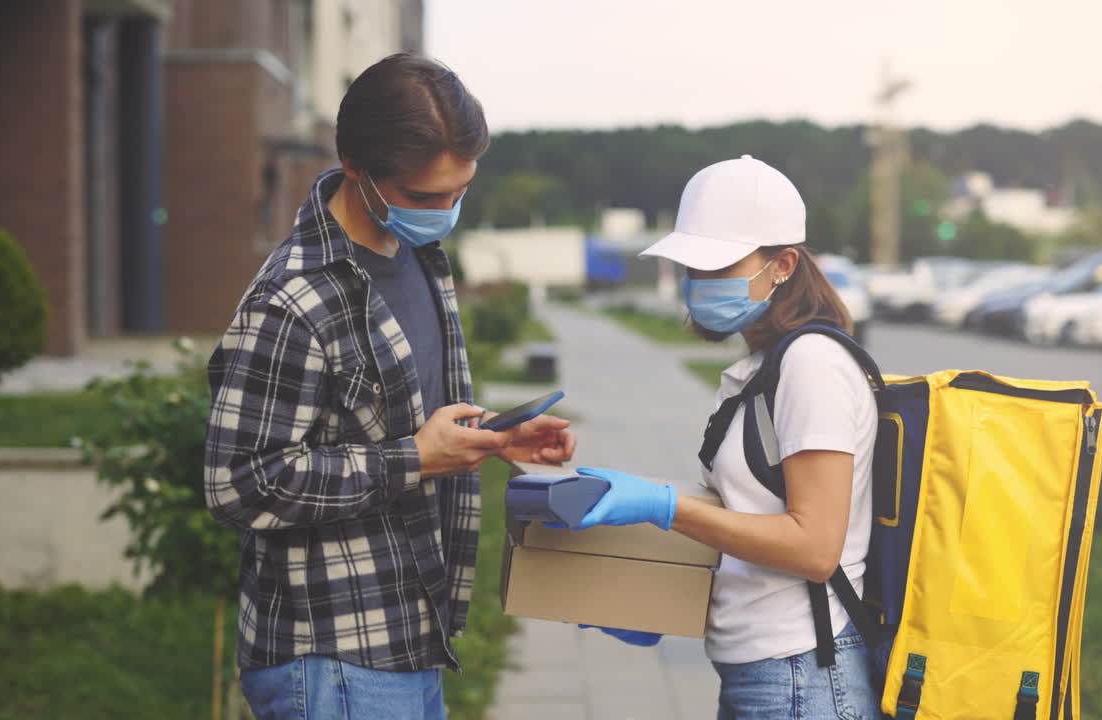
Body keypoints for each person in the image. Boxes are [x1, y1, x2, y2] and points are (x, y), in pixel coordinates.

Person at [203, 53, 574, 720]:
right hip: (334, 657)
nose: (446, 211)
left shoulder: (418, 256)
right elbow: (238, 482)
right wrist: (415, 459)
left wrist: (493, 437)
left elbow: (397, 418)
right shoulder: (292, 299)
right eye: (426, 197)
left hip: (409, 633)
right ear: (355, 166)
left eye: (460, 191)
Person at [566, 155, 880, 719]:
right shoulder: (764, 366)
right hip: (764, 672)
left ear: (784, 264)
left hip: (800, 677)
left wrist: (665, 507)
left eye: (718, 265)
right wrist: (655, 594)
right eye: (692, 265)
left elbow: (814, 548)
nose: (699, 282)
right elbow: (750, 519)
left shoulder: (812, 364)